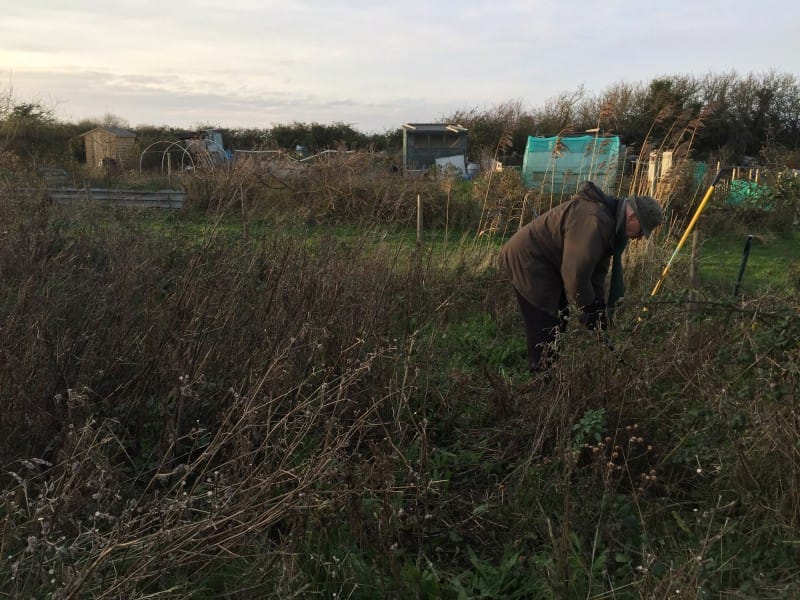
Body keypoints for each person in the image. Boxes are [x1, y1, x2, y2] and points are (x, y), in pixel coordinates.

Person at [498, 181, 663, 374]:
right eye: (641, 231)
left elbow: (596, 273)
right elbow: (575, 274)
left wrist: (598, 308)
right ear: (633, 216)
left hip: (548, 264)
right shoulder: (594, 220)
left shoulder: (610, 223)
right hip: (529, 261)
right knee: (546, 324)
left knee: (560, 319)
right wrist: (588, 307)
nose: (639, 237)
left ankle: (548, 376)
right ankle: (540, 381)